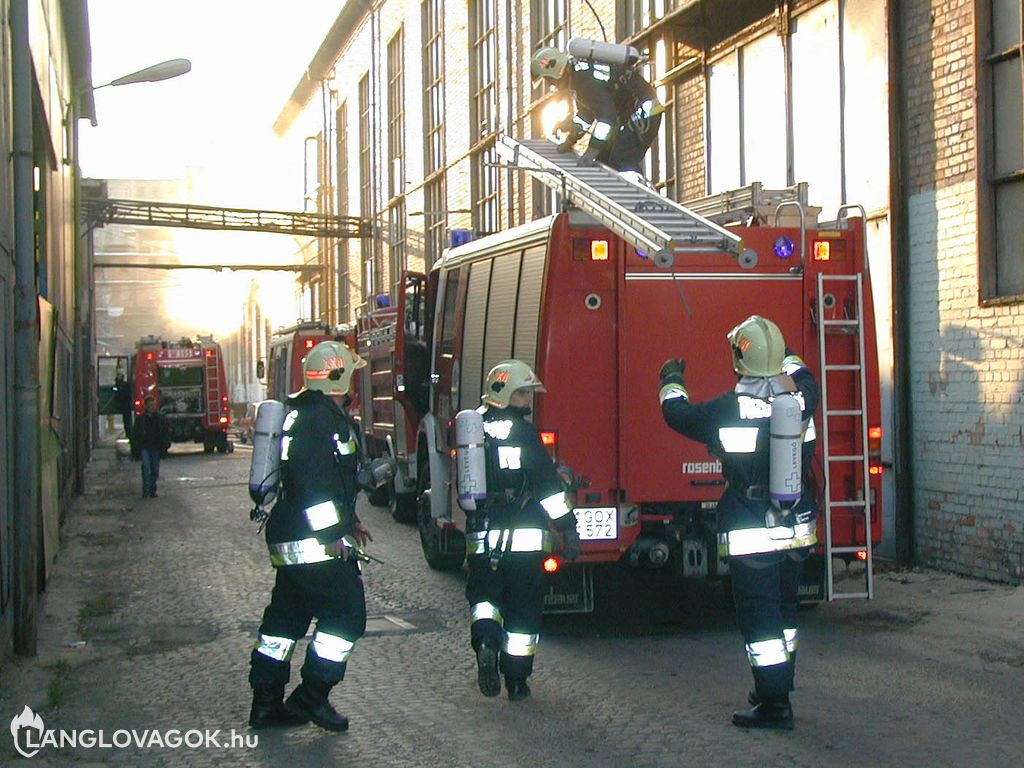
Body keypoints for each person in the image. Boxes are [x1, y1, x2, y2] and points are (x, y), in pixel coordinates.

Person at [658, 316, 819, 730]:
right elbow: (802, 372)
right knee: (784, 611)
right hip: (797, 523)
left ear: (738, 360)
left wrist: (671, 378)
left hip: (752, 526)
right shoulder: (803, 397)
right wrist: (788, 355)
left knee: (759, 615)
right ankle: (776, 685)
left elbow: (677, 415)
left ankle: (775, 705)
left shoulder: (729, 407)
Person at [247, 340, 373, 732]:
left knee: (285, 621)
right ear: (338, 377)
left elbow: (329, 481)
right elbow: (315, 483)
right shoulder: (321, 421)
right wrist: (333, 532)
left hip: (292, 536)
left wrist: (349, 521)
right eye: (351, 373)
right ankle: (312, 696)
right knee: (347, 616)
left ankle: (266, 704)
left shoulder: (303, 415)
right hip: (313, 543)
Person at [466, 360, 580, 702]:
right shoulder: (525, 434)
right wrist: (567, 529)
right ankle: (516, 681)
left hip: (482, 535)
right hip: (524, 537)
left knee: (484, 598)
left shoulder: (473, 430)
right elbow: (547, 488)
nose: (528, 400)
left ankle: (486, 641)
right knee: (523, 608)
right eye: (523, 392)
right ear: (506, 393)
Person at [531, 43, 663, 180]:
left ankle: (641, 196)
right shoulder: (578, 76)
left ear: (555, 70)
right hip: (633, 114)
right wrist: (571, 135)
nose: (550, 84)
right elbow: (587, 114)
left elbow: (607, 120)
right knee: (604, 160)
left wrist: (590, 152)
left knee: (621, 158)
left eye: (547, 79)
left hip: (644, 112)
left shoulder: (583, 81)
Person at [131, 395, 170, 498]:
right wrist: (135, 449)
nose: (152, 407)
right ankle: (146, 490)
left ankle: (152, 489)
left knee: (154, 470)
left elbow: (165, 433)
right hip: (145, 447)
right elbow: (135, 434)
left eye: (153, 405)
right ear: (146, 406)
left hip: (156, 447)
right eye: (150, 405)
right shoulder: (141, 419)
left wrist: (165, 446)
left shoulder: (160, 419)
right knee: (145, 467)